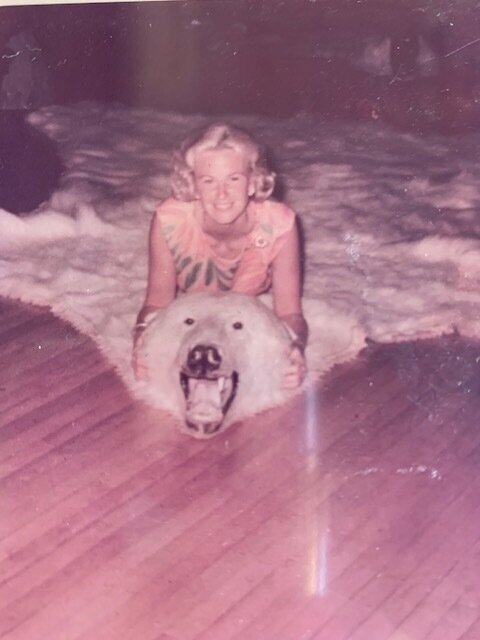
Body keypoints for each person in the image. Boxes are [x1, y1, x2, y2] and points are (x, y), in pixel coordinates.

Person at [133, 123, 308, 388]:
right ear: (193, 185)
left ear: (252, 182)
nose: (222, 194)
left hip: (248, 294)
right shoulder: (169, 221)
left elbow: (290, 313)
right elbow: (157, 303)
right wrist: (141, 341)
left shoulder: (281, 223)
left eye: (234, 179)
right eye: (209, 181)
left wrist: (294, 348)